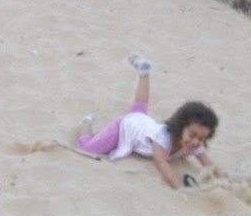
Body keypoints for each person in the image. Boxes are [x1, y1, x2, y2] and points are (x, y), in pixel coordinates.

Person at [77, 55, 224, 189]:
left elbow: (209, 165)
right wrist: (181, 188)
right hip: (126, 126)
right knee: (86, 148)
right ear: (180, 128)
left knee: (139, 108)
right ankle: (86, 122)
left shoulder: (194, 145)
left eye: (202, 138)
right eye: (192, 135)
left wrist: (224, 183)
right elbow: (161, 163)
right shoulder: (162, 137)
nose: (195, 141)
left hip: (143, 122)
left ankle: (144, 71)